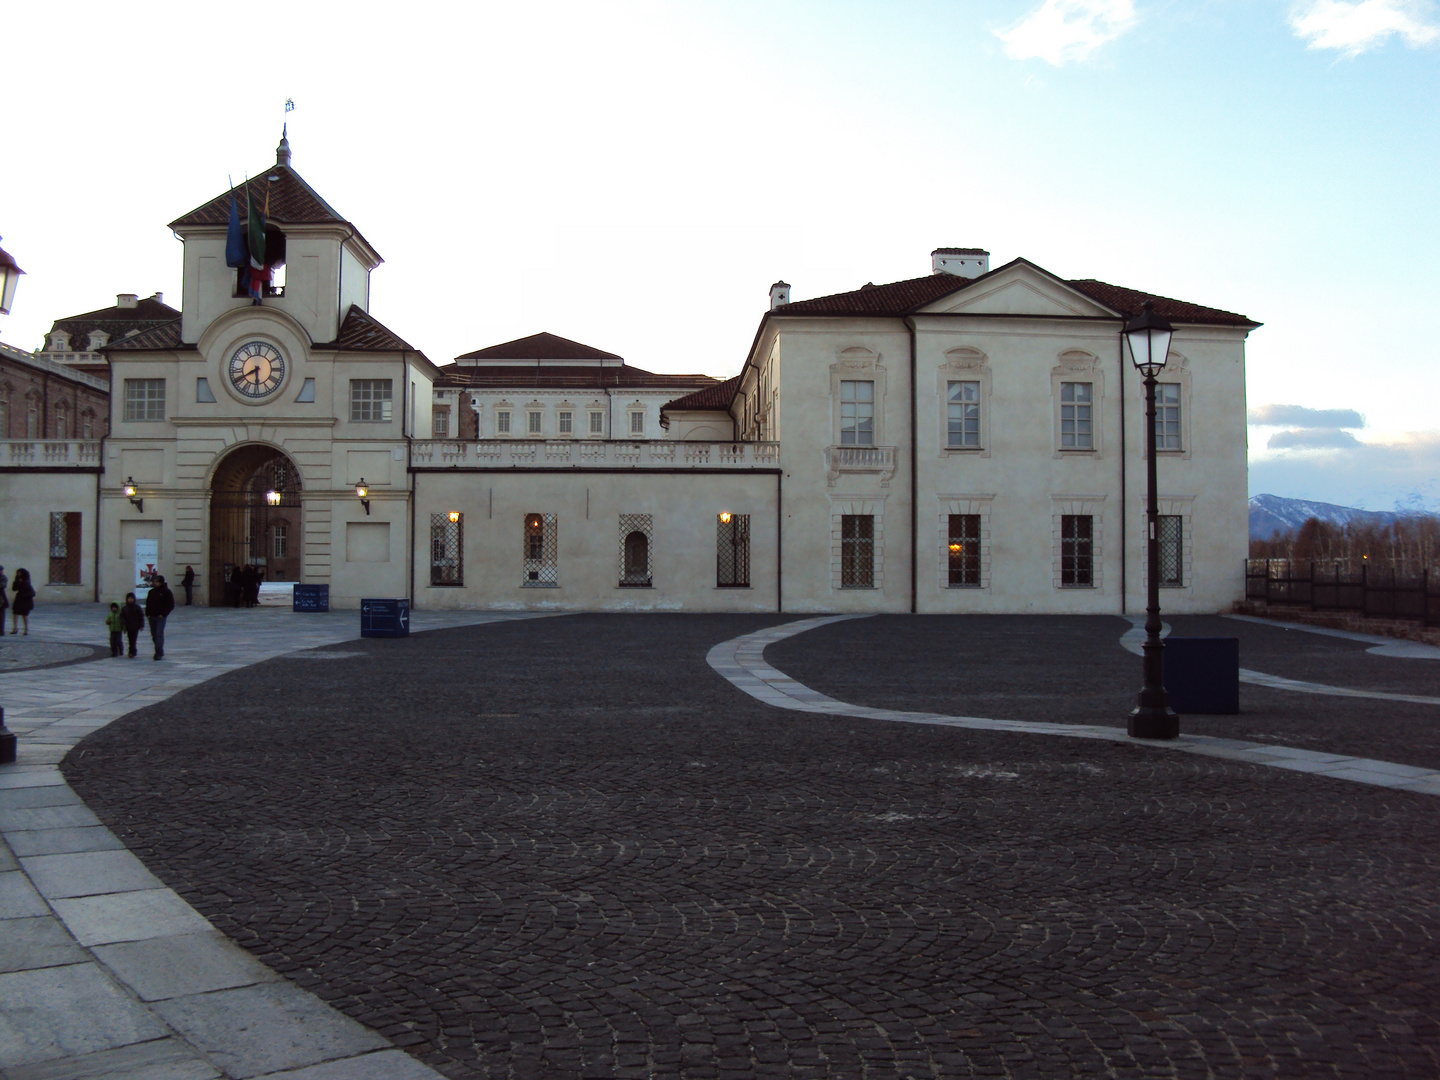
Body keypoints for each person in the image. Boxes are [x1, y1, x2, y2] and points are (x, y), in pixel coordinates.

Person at [144, 575, 175, 660]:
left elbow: (170, 605)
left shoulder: (167, 592)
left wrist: (163, 614)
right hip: (152, 616)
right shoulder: (151, 592)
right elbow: (148, 603)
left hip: (160, 617)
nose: (155, 583)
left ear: (161, 582)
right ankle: (159, 650)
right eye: (154, 581)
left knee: (159, 634)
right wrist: (148, 613)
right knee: (154, 635)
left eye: (157, 582)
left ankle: (158, 652)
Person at [119, 593, 145, 657]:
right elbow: (122, 616)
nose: (130, 600)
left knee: (133, 639)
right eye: (129, 598)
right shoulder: (125, 608)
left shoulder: (137, 607)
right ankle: (132, 651)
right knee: (130, 639)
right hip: (128, 626)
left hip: (135, 626)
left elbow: (141, 616)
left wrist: (141, 625)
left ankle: (132, 651)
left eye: (131, 598)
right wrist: (123, 624)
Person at [10, 568, 34, 635]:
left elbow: (31, 592)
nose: (18, 574)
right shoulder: (17, 580)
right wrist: (18, 582)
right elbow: (14, 588)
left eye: (20, 573)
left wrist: (22, 582)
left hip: (26, 600)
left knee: (25, 614)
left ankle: (26, 629)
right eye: (18, 573)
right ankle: (15, 628)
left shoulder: (27, 581)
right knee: (15, 613)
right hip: (19, 598)